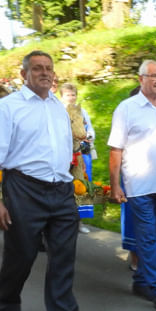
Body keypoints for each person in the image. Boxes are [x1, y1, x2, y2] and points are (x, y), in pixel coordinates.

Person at [0, 50, 95, 311]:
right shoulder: (8, 108)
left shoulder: (58, 107)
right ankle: (6, 304)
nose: (45, 73)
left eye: (49, 68)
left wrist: (74, 180)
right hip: (24, 189)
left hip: (60, 189)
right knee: (22, 253)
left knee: (64, 256)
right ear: (24, 75)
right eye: (37, 69)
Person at [108, 60, 156, 311]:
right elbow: (115, 149)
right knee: (149, 237)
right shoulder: (126, 108)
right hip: (138, 184)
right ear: (141, 79)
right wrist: (115, 185)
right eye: (154, 76)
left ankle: (140, 281)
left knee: (150, 235)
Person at [60, 82, 95, 234]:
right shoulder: (60, 111)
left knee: (81, 186)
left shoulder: (82, 111)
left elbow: (89, 127)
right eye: (68, 94)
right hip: (67, 153)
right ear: (62, 96)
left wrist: (89, 135)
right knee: (67, 188)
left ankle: (79, 222)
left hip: (82, 151)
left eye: (73, 94)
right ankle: (64, 221)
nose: (71, 97)